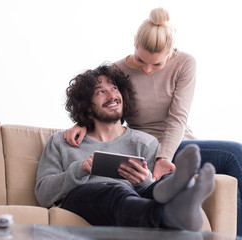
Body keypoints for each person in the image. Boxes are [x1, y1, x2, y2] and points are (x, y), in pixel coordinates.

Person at [63, 7, 242, 235]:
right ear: (134, 43)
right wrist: (83, 122)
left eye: (157, 65)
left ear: (171, 53)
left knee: (233, 161)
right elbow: (101, 100)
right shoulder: (117, 70)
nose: (147, 70)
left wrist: (164, 157)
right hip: (144, 147)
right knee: (231, 156)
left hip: (175, 145)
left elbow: (178, 117)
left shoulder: (185, 63)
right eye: (140, 61)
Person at [35, 64, 215, 231]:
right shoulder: (61, 141)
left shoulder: (145, 142)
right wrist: (80, 169)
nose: (112, 95)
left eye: (114, 88)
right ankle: (170, 212)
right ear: (88, 107)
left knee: (148, 189)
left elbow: (144, 192)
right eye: (101, 92)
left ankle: (180, 194)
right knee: (117, 190)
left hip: (130, 201)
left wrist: (145, 182)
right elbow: (43, 195)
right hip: (80, 199)